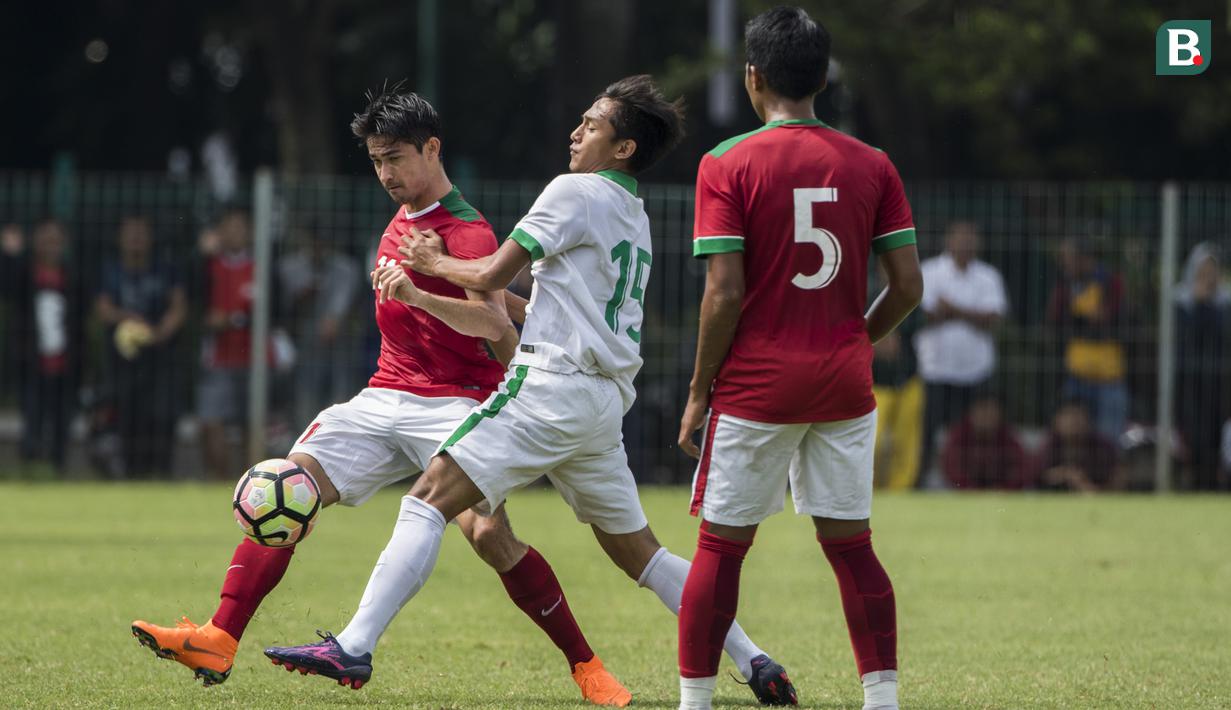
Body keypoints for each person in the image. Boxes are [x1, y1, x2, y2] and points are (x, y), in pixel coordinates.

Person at [266, 76, 796, 707]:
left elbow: (491, 272)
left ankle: (353, 647)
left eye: (593, 124)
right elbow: (535, 303)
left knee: (427, 497)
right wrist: (454, 288)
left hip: (551, 387)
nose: (577, 131)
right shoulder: (634, 212)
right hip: (601, 404)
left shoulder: (573, 191)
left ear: (623, 147)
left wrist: (429, 267)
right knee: (642, 555)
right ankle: (755, 659)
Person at [133, 88, 628, 704]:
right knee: (287, 485)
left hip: (457, 403)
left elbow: (494, 324)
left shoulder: (467, 231)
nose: (386, 174)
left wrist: (420, 296)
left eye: (395, 158)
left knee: (488, 536)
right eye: (375, 161)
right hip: (384, 393)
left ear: (433, 148)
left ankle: (587, 665)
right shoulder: (400, 220)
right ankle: (219, 637)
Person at [673, 8, 922, 710]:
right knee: (851, 547)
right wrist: (854, 338)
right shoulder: (872, 163)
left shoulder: (725, 163)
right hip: (843, 384)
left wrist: (697, 392)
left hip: (756, 387)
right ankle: (882, 700)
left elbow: (722, 293)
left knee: (721, 549)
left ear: (753, 78)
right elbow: (907, 287)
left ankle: (694, 702)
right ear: (821, 77)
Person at [914, 221, 1008, 487]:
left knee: (972, 434)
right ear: (949, 240)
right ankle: (919, 482)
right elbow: (925, 315)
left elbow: (993, 318)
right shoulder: (929, 271)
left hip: (976, 370)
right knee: (927, 433)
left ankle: (966, 484)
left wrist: (952, 309)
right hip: (936, 369)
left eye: (971, 239)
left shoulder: (988, 276)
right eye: (960, 238)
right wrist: (970, 313)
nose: (965, 244)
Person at [95, 215, 187, 477]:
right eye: (130, 232)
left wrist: (158, 333)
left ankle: (161, 472)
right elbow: (103, 310)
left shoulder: (165, 269)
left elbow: (178, 307)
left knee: (162, 417)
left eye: (141, 232)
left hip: (161, 358)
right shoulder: (110, 270)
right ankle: (130, 473)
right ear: (120, 238)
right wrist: (128, 318)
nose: (135, 238)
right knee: (127, 417)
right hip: (122, 361)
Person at [0, 218, 83, 473]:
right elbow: (7, 288)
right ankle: (29, 470)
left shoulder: (74, 275)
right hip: (31, 362)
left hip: (65, 363)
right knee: (32, 419)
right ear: (35, 242)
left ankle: (57, 469)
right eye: (45, 239)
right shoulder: (25, 271)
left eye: (55, 240)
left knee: (62, 423)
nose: (51, 245)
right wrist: (10, 255)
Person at [276, 220, 363, 426]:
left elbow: (341, 309)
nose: (318, 246)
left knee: (342, 393)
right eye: (314, 241)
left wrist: (333, 319)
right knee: (305, 391)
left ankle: (339, 435)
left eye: (323, 242)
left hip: (341, 343)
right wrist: (302, 298)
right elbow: (282, 307)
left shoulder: (347, 268)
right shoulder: (289, 267)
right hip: (301, 341)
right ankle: (303, 437)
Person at [197, 208, 260, 481]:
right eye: (229, 226)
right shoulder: (207, 266)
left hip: (256, 357)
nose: (235, 233)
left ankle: (254, 482)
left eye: (241, 226)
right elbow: (194, 303)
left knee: (253, 423)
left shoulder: (261, 266)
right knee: (213, 420)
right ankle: (218, 479)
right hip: (218, 356)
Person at [1046, 236, 1129, 441]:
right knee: (1070, 435)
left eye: (1068, 258)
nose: (1064, 264)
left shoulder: (1111, 282)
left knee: (1108, 437)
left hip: (1109, 375)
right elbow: (1054, 319)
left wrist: (1085, 315)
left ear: (1084, 258)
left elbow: (1116, 318)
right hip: (1077, 373)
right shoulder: (1066, 284)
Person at [1174, 242, 1230, 490]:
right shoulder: (1181, 303)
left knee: (1217, 440)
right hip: (1189, 384)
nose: (1208, 279)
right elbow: (1185, 342)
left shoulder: (1225, 305)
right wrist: (1198, 304)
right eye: (1203, 272)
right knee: (1194, 439)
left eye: (1212, 273)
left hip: (1220, 384)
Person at [870, 267, 924, 490]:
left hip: (907, 379)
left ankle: (901, 488)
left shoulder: (911, 292)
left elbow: (920, 322)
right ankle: (868, 487)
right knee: (874, 441)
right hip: (876, 382)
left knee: (906, 441)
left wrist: (895, 336)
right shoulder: (868, 293)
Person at [940, 391, 1029, 489]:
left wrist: (1004, 489)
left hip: (1002, 495)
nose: (987, 415)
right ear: (971, 412)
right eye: (983, 409)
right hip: (965, 494)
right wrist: (971, 489)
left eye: (992, 410)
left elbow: (1023, 468)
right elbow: (950, 467)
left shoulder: (1007, 435)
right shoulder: (960, 434)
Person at [1033, 398, 1124, 492]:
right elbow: (1035, 475)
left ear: (1088, 420)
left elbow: (1118, 477)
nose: (1074, 422)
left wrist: (1085, 486)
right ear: (1056, 420)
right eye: (1068, 416)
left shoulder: (1103, 446)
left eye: (1078, 416)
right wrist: (1067, 474)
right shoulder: (1050, 444)